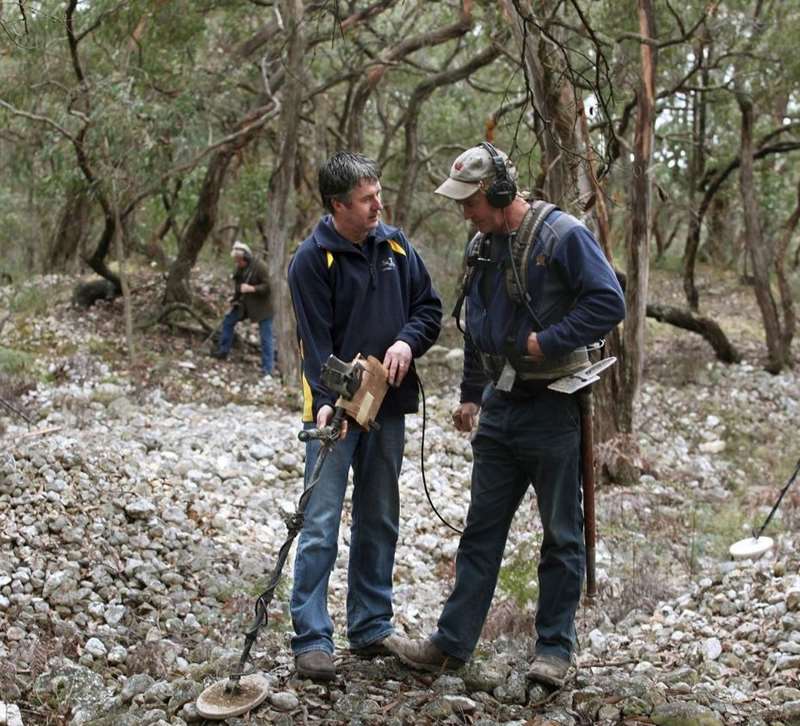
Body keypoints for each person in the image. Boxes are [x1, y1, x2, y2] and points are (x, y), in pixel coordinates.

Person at [389, 142, 626, 689]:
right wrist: (471, 394)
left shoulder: (561, 235)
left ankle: (554, 651)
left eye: (470, 201)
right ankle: (451, 646)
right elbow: (476, 322)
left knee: (562, 536)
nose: (464, 211)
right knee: (480, 531)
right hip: (500, 407)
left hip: (552, 404)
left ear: (498, 192)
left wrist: (550, 341)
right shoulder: (481, 246)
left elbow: (607, 302)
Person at [287, 151, 442, 681]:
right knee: (321, 522)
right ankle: (311, 636)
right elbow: (315, 343)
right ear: (337, 206)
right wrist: (330, 399)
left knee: (379, 516)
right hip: (334, 412)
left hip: (390, 409)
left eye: (378, 193)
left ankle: (371, 624)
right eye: (366, 199)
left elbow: (429, 308)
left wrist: (405, 341)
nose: (378, 205)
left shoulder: (396, 245)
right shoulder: (312, 260)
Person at [211, 240, 275, 376]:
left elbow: (268, 287)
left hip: (262, 308)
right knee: (228, 321)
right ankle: (223, 351)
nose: (238, 263)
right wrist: (233, 299)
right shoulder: (240, 268)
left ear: (246, 257)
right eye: (236, 260)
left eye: (239, 260)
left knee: (266, 338)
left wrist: (252, 288)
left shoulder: (260, 267)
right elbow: (238, 287)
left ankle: (267, 369)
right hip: (244, 305)